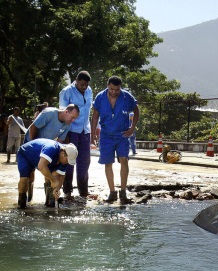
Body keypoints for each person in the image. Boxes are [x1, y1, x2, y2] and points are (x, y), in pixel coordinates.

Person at [91, 76, 139, 204]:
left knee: (124, 160)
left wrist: (132, 128)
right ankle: (112, 192)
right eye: (112, 89)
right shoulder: (100, 97)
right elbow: (95, 115)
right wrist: (93, 135)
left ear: (120, 88)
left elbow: (136, 110)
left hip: (122, 134)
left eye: (117, 89)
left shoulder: (127, 97)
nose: (114, 92)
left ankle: (123, 192)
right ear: (108, 86)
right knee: (108, 163)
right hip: (106, 135)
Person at [24, 104, 79, 204]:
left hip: (47, 147)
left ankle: (49, 201)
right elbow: (33, 128)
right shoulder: (49, 113)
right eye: (72, 117)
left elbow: (60, 143)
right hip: (32, 143)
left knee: (48, 171)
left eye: (75, 119)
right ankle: (29, 198)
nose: (73, 121)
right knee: (30, 173)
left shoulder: (68, 124)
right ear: (66, 112)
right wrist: (36, 150)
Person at [59, 70, 94, 198]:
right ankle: (67, 190)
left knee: (85, 161)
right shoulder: (66, 91)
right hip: (71, 130)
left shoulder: (89, 90)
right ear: (76, 81)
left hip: (85, 130)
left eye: (86, 85)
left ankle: (83, 190)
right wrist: (64, 134)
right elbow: (63, 114)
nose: (84, 87)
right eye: (81, 85)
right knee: (69, 160)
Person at [16, 138, 78, 209]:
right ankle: (22, 202)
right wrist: (53, 180)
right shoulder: (51, 149)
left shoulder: (65, 159)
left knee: (51, 177)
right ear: (63, 154)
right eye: (68, 160)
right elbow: (41, 166)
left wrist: (57, 189)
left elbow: (61, 176)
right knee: (25, 179)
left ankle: (47, 202)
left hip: (39, 159)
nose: (68, 163)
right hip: (25, 154)